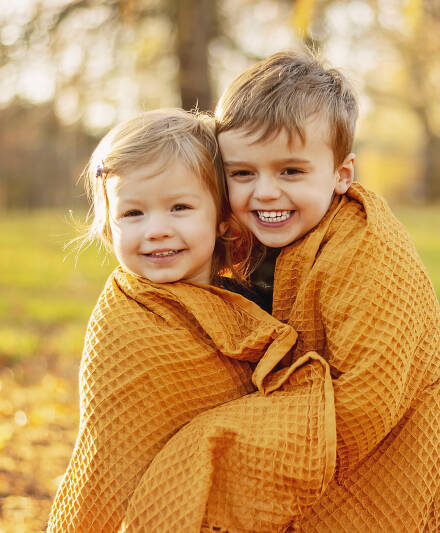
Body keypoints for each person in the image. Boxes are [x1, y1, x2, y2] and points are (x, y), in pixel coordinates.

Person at [123, 51, 440, 532]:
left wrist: (223, 448)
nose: (265, 193)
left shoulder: (367, 249)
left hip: (387, 452)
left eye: (290, 172)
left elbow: (372, 393)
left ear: (341, 175)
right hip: (293, 437)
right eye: (243, 173)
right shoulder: (236, 240)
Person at [47, 108, 318, 532]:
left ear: (222, 220)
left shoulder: (255, 303)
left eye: (179, 207)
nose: (156, 229)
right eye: (133, 214)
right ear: (108, 226)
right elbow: (107, 456)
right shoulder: (124, 321)